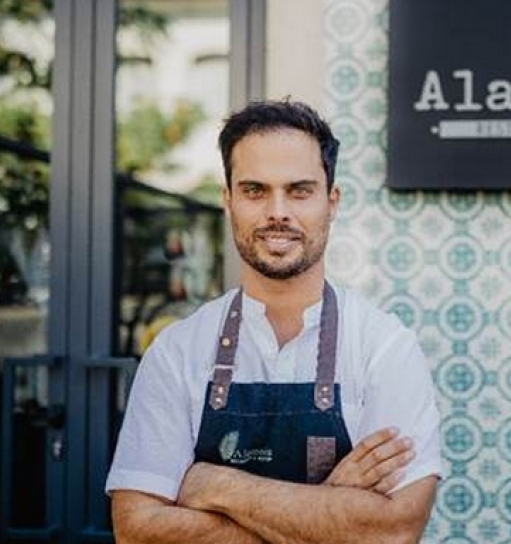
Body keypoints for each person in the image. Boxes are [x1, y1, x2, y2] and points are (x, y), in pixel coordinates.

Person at [106, 99, 443, 544]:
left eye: (299, 190)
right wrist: (330, 507)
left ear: (332, 201)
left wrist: (215, 485)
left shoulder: (383, 347)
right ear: (228, 201)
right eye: (255, 190)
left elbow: (393, 531)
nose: (277, 212)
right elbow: (137, 531)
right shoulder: (177, 351)